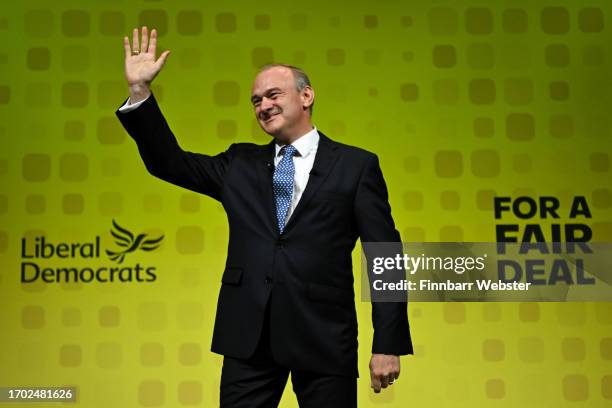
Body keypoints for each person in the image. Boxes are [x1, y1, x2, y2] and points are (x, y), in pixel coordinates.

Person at [116, 26, 413, 407]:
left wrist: (387, 344)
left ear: (306, 96)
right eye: (256, 100)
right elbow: (168, 162)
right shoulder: (239, 164)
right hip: (248, 339)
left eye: (273, 94)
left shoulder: (356, 166)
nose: (263, 106)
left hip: (323, 336)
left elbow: (385, 255)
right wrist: (140, 93)